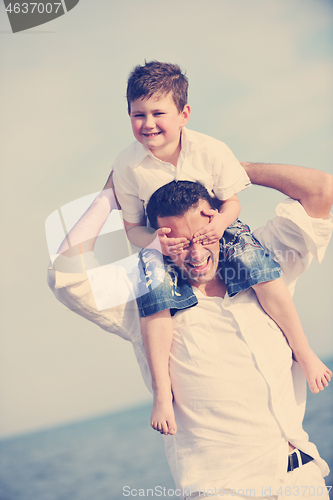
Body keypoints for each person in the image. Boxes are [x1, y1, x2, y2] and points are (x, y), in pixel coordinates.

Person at [48, 162, 333, 499]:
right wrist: (111, 195)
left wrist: (226, 168)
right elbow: (66, 276)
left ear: (216, 218)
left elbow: (321, 192)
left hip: (303, 478)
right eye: (180, 244)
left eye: (201, 238)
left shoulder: (263, 260)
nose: (196, 254)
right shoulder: (146, 298)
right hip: (224, 489)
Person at [112, 61, 331, 435]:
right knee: (154, 308)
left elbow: (232, 203)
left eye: (158, 113)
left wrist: (219, 225)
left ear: (184, 114)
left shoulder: (210, 149)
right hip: (165, 246)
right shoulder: (128, 167)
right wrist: (155, 244)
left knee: (265, 276)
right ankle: (162, 394)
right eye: (138, 115)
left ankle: (303, 349)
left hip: (219, 230)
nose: (147, 124)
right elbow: (132, 227)